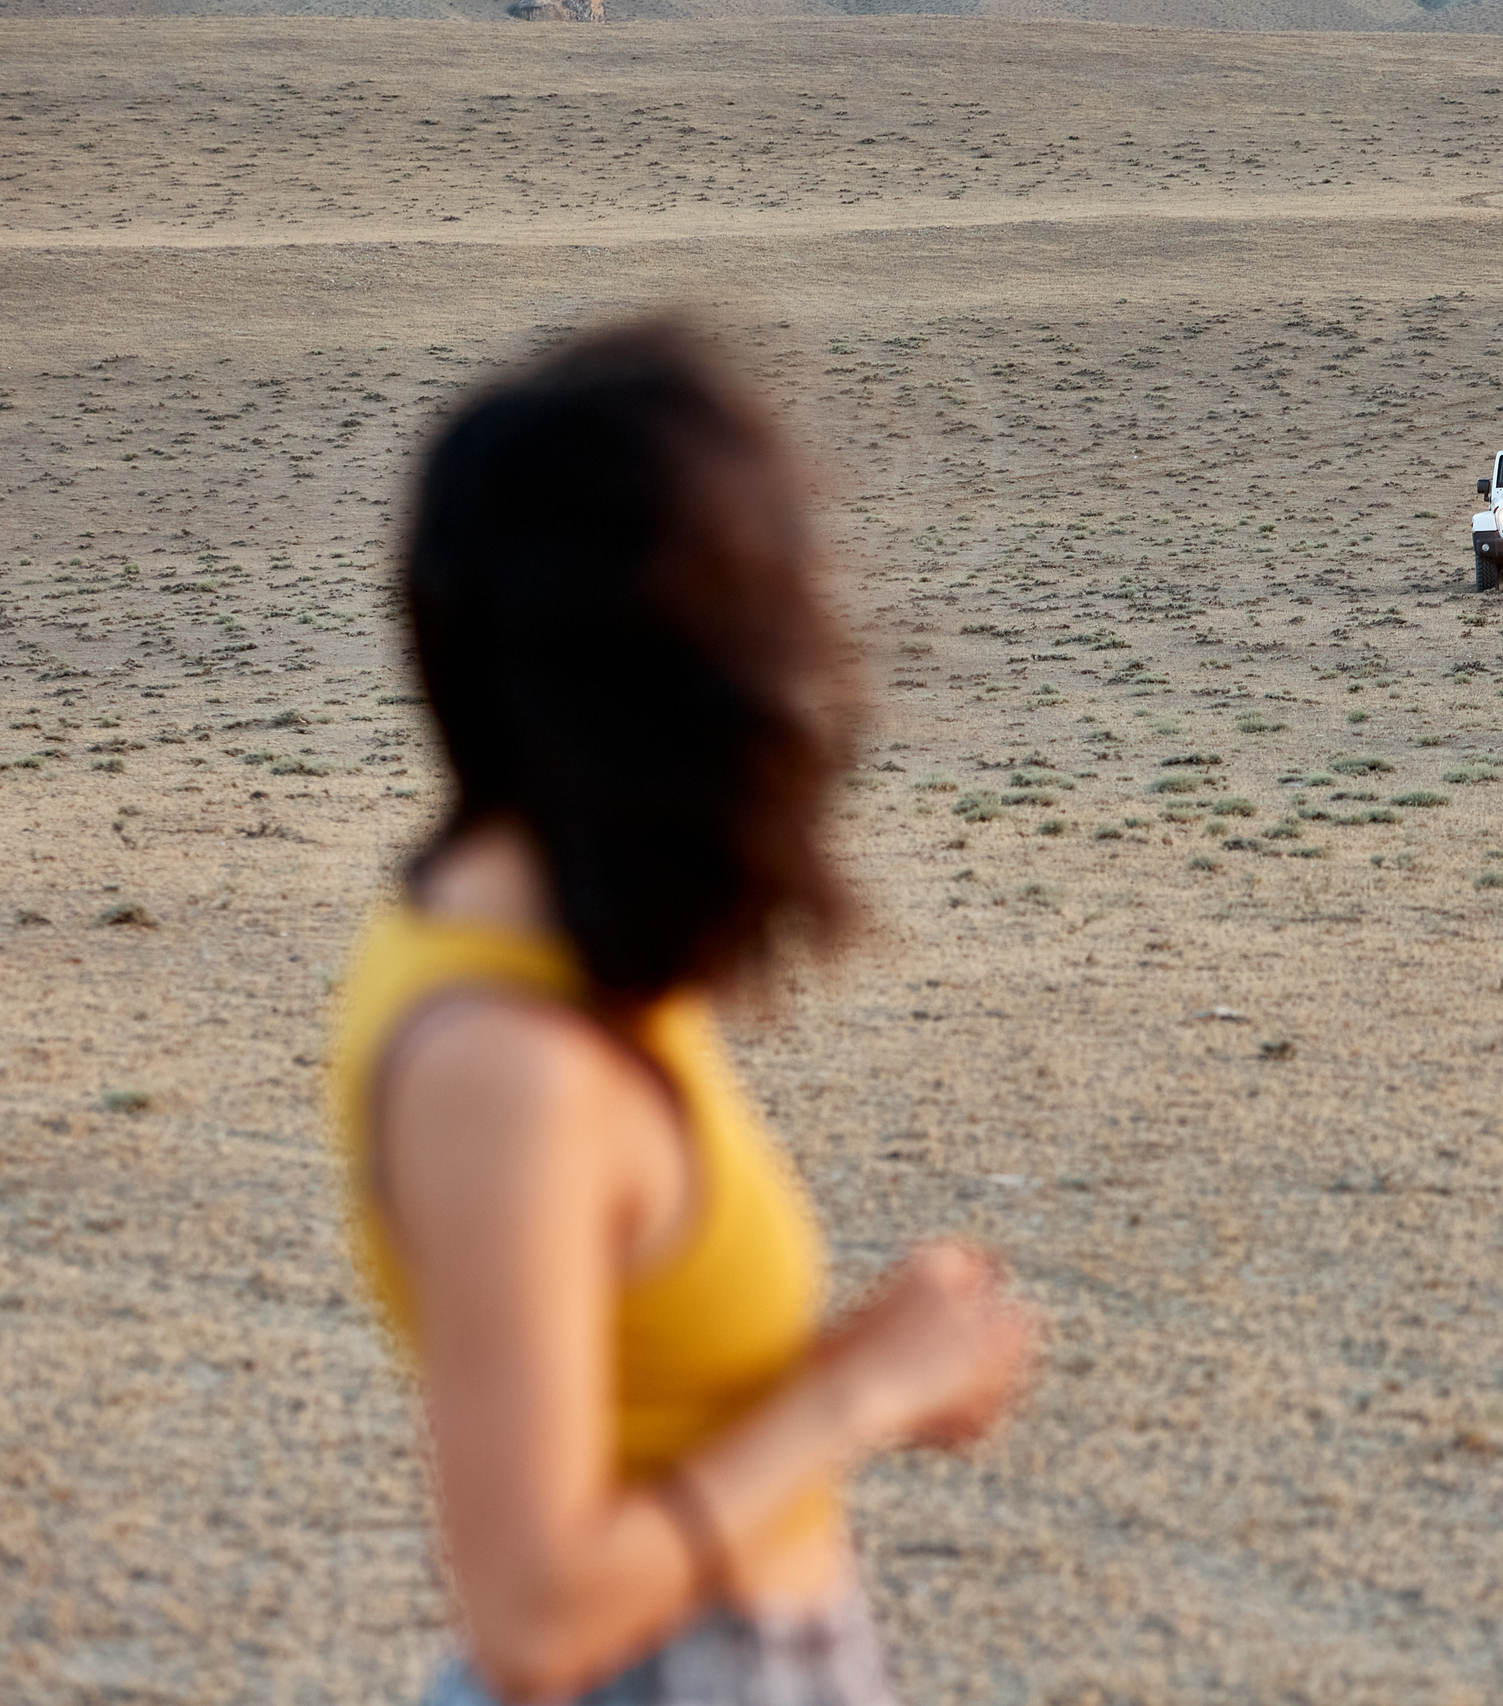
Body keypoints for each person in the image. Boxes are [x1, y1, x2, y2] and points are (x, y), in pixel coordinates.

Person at [330, 320, 1037, 1706]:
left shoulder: (536, 941)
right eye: (769, 610)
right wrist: (858, 1394)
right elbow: (536, 1619)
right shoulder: (511, 1065)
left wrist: (864, 1362)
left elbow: (639, 1380)